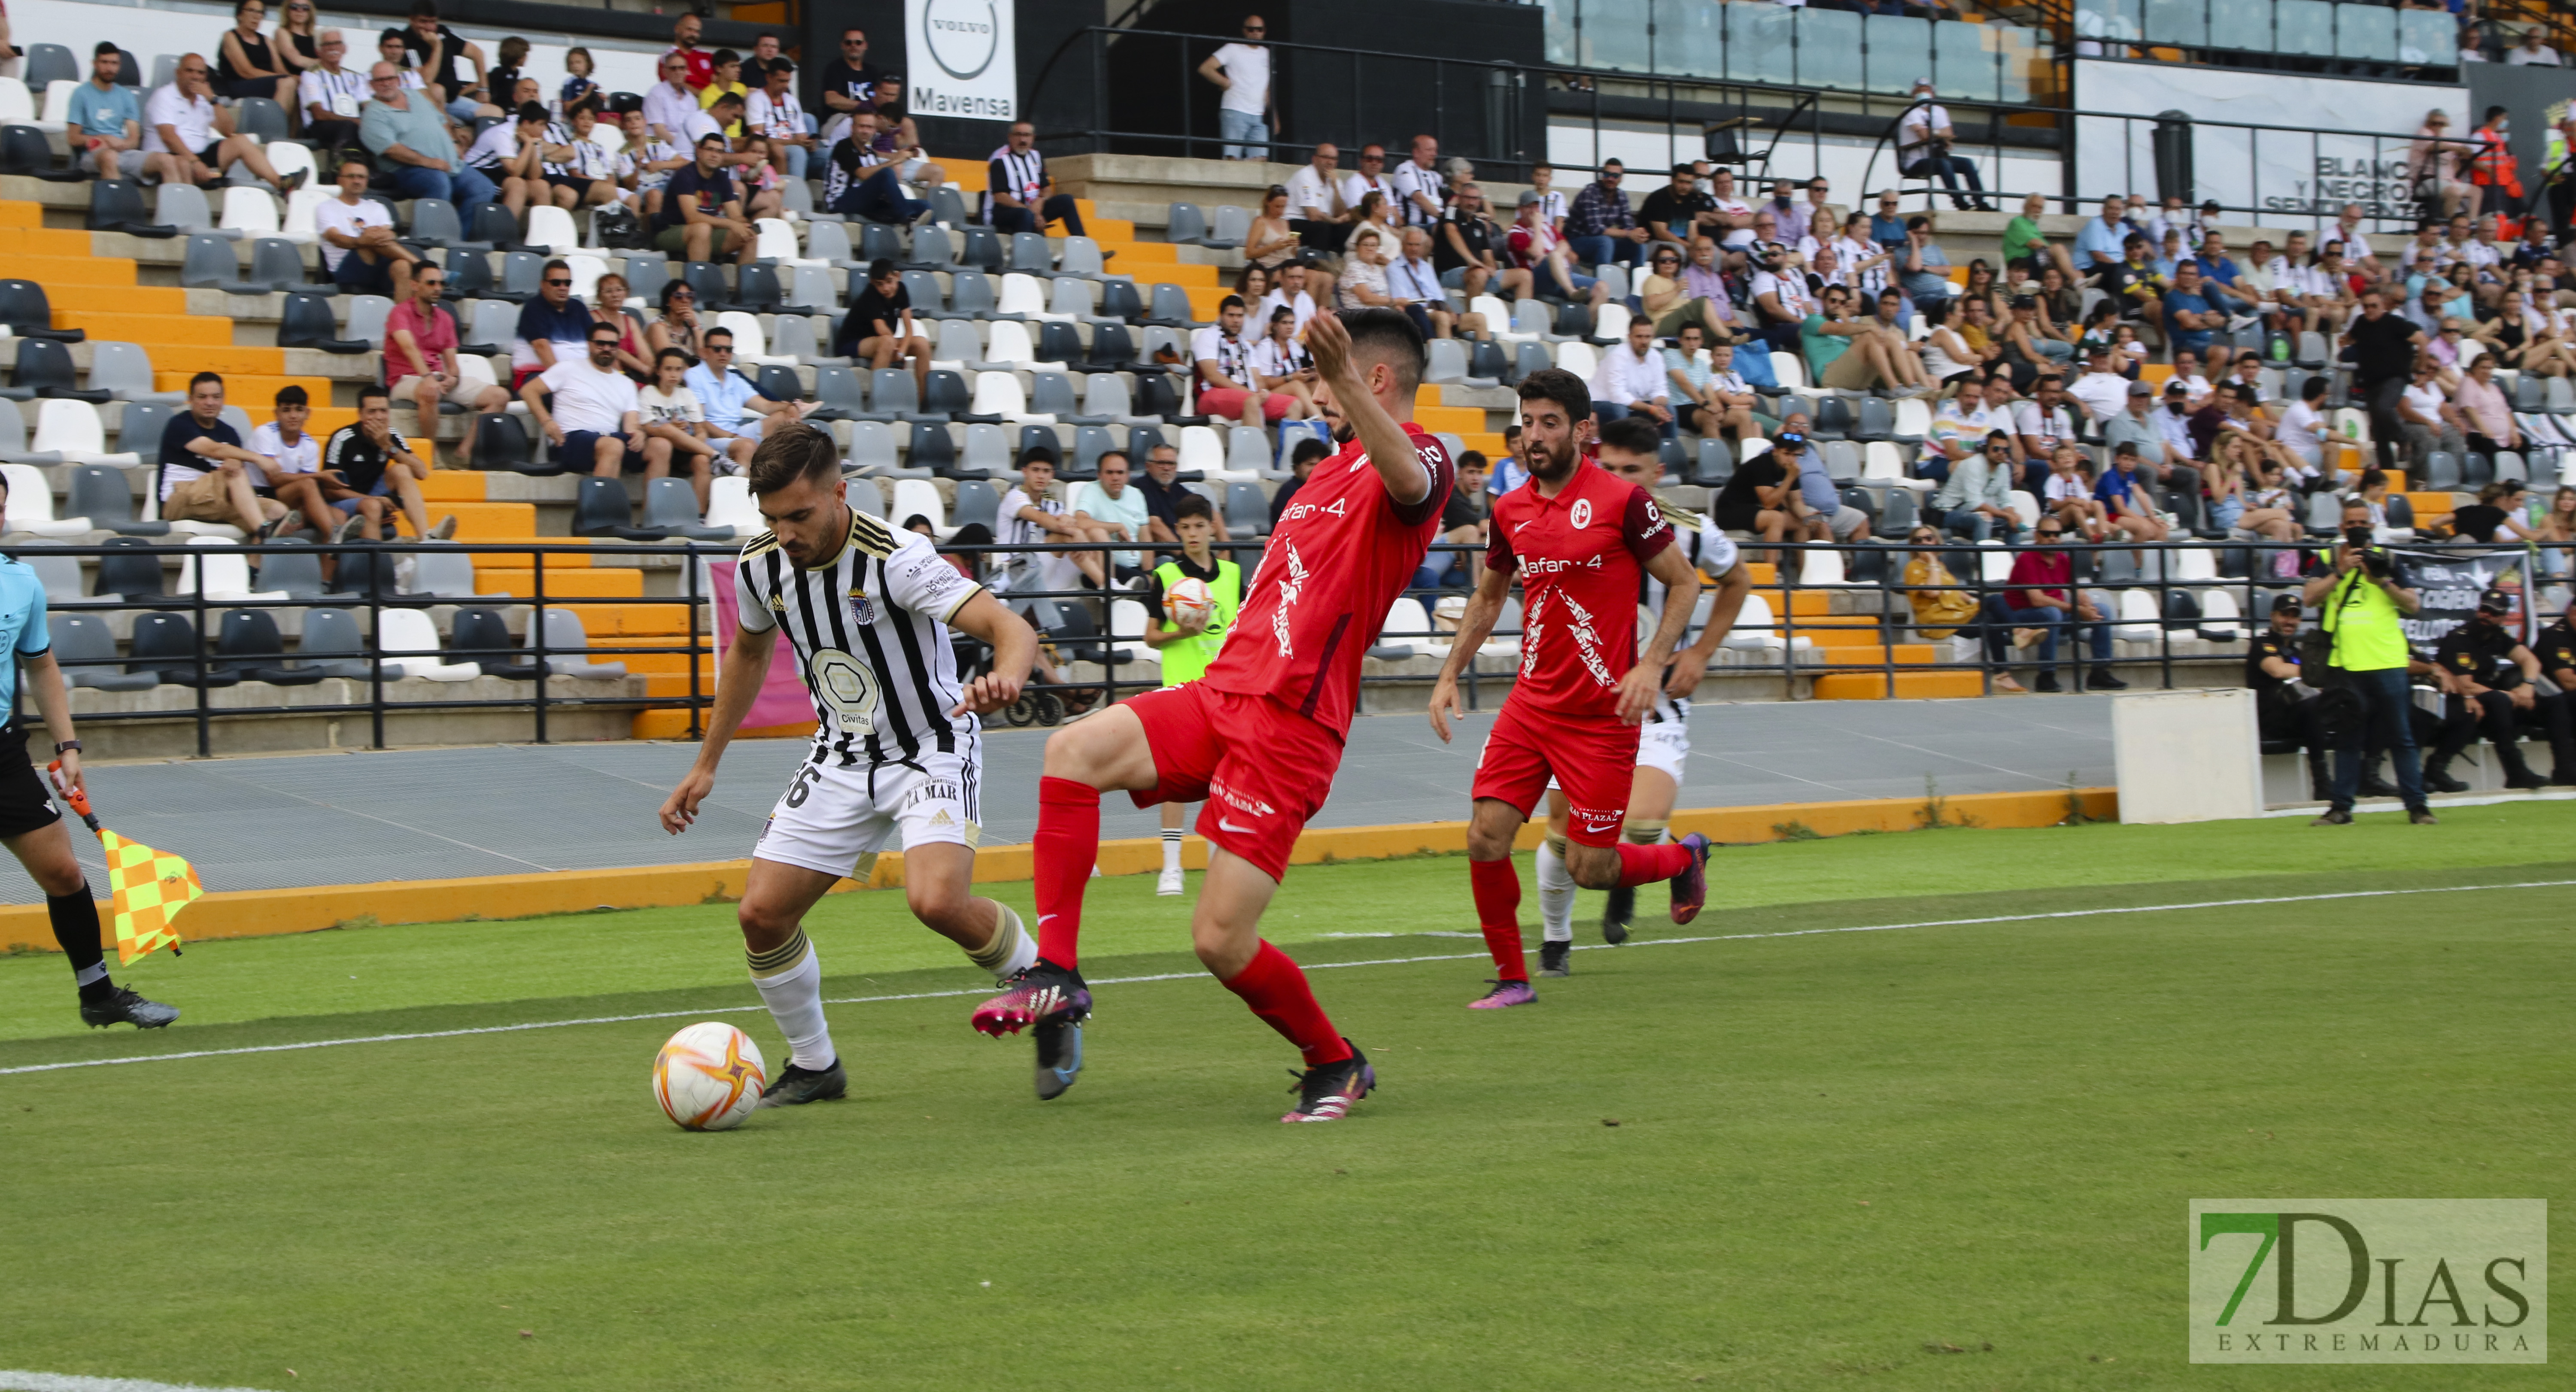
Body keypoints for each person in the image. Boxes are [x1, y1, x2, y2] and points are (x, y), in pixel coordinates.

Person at [968, 308, 1455, 1124]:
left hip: (1292, 725)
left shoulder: (1418, 456)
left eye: (1332, 379)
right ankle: (1056, 971)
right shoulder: (1320, 477)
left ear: (1373, 379)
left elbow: (1408, 479)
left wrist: (1335, 378)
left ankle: (1335, 1059)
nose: (1317, 394)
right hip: (1223, 692)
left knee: (1220, 940)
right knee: (1073, 750)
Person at [658, 424, 1044, 1105]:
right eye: (772, 517)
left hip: (931, 743)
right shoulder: (761, 564)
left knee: (936, 900)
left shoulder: (899, 557)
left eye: (800, 515)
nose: (786, 533)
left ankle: (1045, 985)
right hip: (841, 755)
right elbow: (748, 653)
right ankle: (815, 1064)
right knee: (761, 915)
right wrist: (706, 762)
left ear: (840, 493)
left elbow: (1011, 629)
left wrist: (1008, 676)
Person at [1424, 373, 1712, 1008]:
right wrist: (1448, 674)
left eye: (1549, 422)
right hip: (1532, 706)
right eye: (1528, 421)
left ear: (1581, 429)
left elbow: (1686, 583)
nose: (1535, 435)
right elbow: (1489, 595)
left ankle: (1682, 858)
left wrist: (1651, 663)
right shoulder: (1510, 509)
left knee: (1593, 866)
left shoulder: (1623, 502)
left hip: (1602, 719)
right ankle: (1513, 978)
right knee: (1484, 834)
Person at [1525, 420, 1752, 958]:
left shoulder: (1689, 530)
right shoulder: (1567, 521)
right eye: (1612, 468)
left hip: (1655, 705)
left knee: (1644, 826)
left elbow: (1737, 579)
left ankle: (1647, 870)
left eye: (1634, 470)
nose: (1622, 478)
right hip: (1575, 703)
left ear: (1657, 473)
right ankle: (1557, 939)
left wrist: (1698, 653)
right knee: (1564, 838)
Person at [0, 473, 178, 1029]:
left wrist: (67, 745)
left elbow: (40, 664)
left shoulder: (20, 582)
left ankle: (98, 994)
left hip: (2, 752)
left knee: (62, 872)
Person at [1137, 493, 1242, 895]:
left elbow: (1247, 629)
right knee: (1176, 779)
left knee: (1223, 779)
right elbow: (1149, 637)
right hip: (1180, 691)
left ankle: (1217, 864)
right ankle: (1172, 867)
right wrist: (1182, 632)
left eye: (1200, 526)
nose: (1193, 534)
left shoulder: (1233, 575)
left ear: (1211, 527)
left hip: (1225, 690)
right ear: (1177, 531)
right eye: (1185, 528)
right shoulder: (1166, 579)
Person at [2306, 500, 2434, 825]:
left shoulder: (2388, 559)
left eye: (2363, 522)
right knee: (2349, 738)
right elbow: (2309, 597)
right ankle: (2341, 807)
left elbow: (2413, 605)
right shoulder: (2326, 559)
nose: (2357, 528)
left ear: (2372, 526)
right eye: (2351, 523)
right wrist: (2341, 571)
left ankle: (2417, 806)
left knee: (2402, 735)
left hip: (2388, 660)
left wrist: (2383, 582)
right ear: (2341, 528)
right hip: (2347, 663)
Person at [2422, 588, 2570, 792]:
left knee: (2554, 700)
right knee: (2498, 701)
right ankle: (2515, 770)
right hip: (2463, 701)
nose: (2487, 616)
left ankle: (2565, 768)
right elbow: (2464, 685)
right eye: (2484, 610)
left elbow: (2530, 661)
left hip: (2494, 704)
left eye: (2494, 613)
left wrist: (2527, 686)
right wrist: (2508, 696)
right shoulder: (2460, 639)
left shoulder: (2497, 636)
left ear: (2503, 618)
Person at [1993, 518, 2120, 694]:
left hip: (2055, 613)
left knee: (2103, 611)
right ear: (2037, 536)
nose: (2052, 538)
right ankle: (2046, 676)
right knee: (2052, 614)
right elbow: (2037, 600)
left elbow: (2075, 590)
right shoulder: (2027, 559)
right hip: (2021, 616)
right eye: (2047, 534)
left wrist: (2087, 605)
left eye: (2056, 534)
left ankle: (2100, 673)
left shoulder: (2062, 558)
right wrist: (2076, 609)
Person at [361, 59, 493, 227]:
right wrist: (429, 163)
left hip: (448, 163)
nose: (386, 84)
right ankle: (435, 236)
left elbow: (440, 118)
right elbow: (392, 150)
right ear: (372, 85)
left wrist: (453, 142)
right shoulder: (372, 114)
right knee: (438, 183)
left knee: (484, 188)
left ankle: (457, 239)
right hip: (409, 170)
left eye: (390, 79)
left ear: (399, 80)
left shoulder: (415, 95)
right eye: (380, 80)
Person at [152, 53, 305, 197]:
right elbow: (169, 137)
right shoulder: (165, 96)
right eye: (190, 71)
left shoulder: (204, 100)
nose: (195, 77)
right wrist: (195, 162)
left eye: (200, 73)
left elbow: (229, 130)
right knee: (183, 163)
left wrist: (213, 100)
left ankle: (281, 184)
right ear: (178, 73)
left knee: (241, 141)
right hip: (172, 158)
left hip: (200, 156)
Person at [159, 373, 290, 537]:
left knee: (278, 512)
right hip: (180, 500)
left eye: (216, 397)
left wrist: (235, 462)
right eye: (202, 397)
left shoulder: (229, 433)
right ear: (191, 399)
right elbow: (214, 450)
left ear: (223, 400)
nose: (210, 403)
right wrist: (258, 458)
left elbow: (234, 462)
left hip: (217, 500)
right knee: (234, 474)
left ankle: (255, 560)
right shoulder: (179, 425)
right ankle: (261, 528)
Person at [318, 386, 442, 541]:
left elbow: (421, 472)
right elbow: (330, 491)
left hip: (372, 495)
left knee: (402, 469)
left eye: (384, 411)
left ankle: (425, 538)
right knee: (372, 506)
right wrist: (376, 501)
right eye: (372, 412)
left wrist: (388, 447)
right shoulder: (343, 438)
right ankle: (378, 561)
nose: (379, 417)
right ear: (361, 415)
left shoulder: (391, 435)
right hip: (342, 503)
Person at [522, 321, 644, 477]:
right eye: (601, 343)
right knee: (613, 446)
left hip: (609, 439)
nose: (607, 349)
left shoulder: (627, 383)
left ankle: (655, 502)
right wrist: (547, 422)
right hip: (569, 440)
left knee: (660, 447)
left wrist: (639, 434)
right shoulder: (568, 368)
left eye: (612, 344)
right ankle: (601, 501)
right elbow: (529, 391)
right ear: (589, 344)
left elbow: (631, 424)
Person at [687, 328, 810, 472]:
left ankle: (790, 475)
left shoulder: (734, 378)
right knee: (746, 446)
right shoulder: (694, 376)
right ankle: (745, 492)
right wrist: (733, 437)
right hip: (708, 439)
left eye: (728, 349)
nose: (723, 354)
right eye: (717, 349)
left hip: (735, 433)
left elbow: (766, 406)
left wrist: (790, 408)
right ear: (704, 352)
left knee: (783, 419)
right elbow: (699, 423)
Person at [997, 448, 1112, 592]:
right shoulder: (1014, 496)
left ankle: (1110, 585)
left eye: (1046, 471)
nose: (1041, 476)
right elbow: (1040, 518)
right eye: (1036, 470)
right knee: (1064, 536)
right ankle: (1108, 587)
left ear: (1052, 475)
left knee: (1097, 533)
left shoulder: (1054, 503)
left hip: (1046, 573)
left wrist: (1076, 530)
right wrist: (1076, 532)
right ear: (1025, 472)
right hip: (1016, 571)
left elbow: (1070, 523)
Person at [313, 158, 416, 300]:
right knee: (367, 244)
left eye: (361, 177)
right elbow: (335, 239)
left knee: (403, 266)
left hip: (381, 267)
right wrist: (362, 241)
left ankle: (401, 321)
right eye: (351, 176)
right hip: (347, 270)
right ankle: (422, 267)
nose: (357, 181)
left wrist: (380, 236)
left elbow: (388, 236)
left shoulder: (377, 207)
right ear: (339, 180)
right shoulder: (326, 207)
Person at [655, 132, 757, 265]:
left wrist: (744, 225)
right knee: (702, 228)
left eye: (720, 152)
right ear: (699, 151)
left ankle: (747, 284)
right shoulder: (686, 175)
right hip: (670, 231)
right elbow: (692, 217)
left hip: (706, 232)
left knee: (750, 237)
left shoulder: (722, 178)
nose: (714, 155)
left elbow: (735, 215)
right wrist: (732, 224)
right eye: (710, 150)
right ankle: (699, 281)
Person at [247, 384, 333, 540]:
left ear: (307, 413)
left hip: (286, 495)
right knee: (309, 483)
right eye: (286, 410)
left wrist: (302, 510)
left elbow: (305, 491)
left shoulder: (310, 445)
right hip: (258, 494)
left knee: (339, 515)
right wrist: (320, 476)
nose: (293, 416)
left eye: (299, 410)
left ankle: (334, 543)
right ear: (276, 414)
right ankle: (333, 534)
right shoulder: (265, 433)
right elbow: (273, 479)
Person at [836, 258, 932, 397]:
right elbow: (882, 330)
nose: (886, 289)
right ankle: (877, 398)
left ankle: (924, 401)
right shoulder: (870, 296)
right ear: (872, 283)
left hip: (881, 341)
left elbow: (909, 328)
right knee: (887, 341)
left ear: (897, 277)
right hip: (853, 343)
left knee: (922, 344)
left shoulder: (902, 290)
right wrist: (897, 351)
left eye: (889, 282)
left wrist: (902, 353)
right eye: (880, 284)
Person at [637, 347, 718, 508]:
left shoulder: (686, 394)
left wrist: (693, 444)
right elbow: (649, 428)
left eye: (678, 370)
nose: (674, 374)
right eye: (668, 369)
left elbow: (701, 431)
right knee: (666, 432)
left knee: (702, 460)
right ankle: (716, 456)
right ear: (659, 371)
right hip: (657, 448)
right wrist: (672, 429)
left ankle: (698, 516)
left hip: (684, 449)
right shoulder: (648, 392)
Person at [1192, 294, 1288, 425]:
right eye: (1231, 315)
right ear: (1220, 316)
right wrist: (1250, 394)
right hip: (1211, 394)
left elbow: (1257, 379)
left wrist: (1262, 392)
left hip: (1248, 397)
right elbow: (1212, 376)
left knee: (1294, 405)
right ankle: (1255, 446)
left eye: (1240, 316)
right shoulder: (1208, 336)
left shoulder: (1246, 345)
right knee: (1253, 401)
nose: (1236, 320)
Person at [1898, 81, 1990, 212]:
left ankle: (1980, 202)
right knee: (1943, 164)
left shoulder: (1940, 111)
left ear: (1933, 94)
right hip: (1915, 162)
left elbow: (1950, 134)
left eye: (1927, 90)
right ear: (1914, 95)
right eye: (1920, 90)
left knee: (1967, 163)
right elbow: (1924, 136)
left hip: (1937, 156)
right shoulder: (1910, 111)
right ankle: (1960, 203)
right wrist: (1939, 134)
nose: (1924, 93)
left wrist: (1934, 134)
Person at [1712, 423, 1798, 561]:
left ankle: (1805, 574)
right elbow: (1769, 504)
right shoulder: (1763, 465)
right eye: (1787, 454)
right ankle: (1770, 573)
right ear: (1775, 451)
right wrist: (1789, 478)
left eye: (1795, 455)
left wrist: (1808, 517)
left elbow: (1797, 502)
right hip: (1730, 511)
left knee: (1801, 523)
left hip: (1753, 509)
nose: (1791, 459)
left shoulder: (1791, 470)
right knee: (1776, 518)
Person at [985, 121, 1084, 237]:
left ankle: (1085, 249)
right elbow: (1000, 197)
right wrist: (1030, 212)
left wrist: (1040, 201)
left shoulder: (1036, 157)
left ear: (1033, 138)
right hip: (1005, 212)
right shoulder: (999, 160)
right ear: (1010, 137)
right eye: (1018, 135)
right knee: (1025, 215)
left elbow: (1047, 190)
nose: (1023, 140)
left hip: (1032, 211)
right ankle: (1025, 252)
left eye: (1027, 135)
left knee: (1066, 200)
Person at [1199, 15, 1273, 161]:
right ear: (1244, 31)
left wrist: (1274, 115)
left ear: (1264, 31)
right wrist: (1224, 82)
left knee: (1261, 158)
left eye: (1259, 29)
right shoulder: (1232, 49)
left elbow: (1266, 87)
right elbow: (1205, 68)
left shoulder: (1267, 53)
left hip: (1258, 115)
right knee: (1232, 158)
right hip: (1234, 111)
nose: (1255, 33)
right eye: (1251, 29)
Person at [69, 42, 146, 179]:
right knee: (109, 157)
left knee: (166, 161)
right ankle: (118, 199)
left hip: (122, 153)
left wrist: (124, 144)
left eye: (114, 63)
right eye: (105, 62)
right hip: (92, 154)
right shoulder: (81, 94)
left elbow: (134, 138)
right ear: (95, 64)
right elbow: (73, 138)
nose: (110, 68)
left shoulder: (126, 95)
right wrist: (105, 138)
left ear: (119, 65)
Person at [1589, 314, 1676, 435]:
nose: (1644, 341)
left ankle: (1667, 451)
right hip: (1600, 403)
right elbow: (1618, 396)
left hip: (1632, 406)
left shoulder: (1656, 357)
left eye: (1648, 337)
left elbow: (1660, 390)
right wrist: (1651, 409)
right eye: (1639, 337)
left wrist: (1660, 408)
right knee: (1620, 410)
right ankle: (1622, 451)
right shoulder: (1618, 356)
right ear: (1629, 337)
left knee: (1669, 410)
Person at [1935, 430, 2021, 541]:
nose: (2001, 453)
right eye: (1996, 449)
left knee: (2014, 523)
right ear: (1986, 449)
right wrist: (2007, 516)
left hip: (1970, 512)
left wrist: (2013, 516)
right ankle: (1983, 558)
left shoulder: (2004, 469)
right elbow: (1976, 504)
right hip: (1946, 512)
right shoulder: (1973, 464)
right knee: (1984, 519)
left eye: (2005, 450)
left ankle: (2012, 558)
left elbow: (2006, 501)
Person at [294, 28, 365, 157]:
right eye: (327, 44)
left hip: (352, 125)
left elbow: (367, 107)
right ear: (318, 51)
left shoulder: (356, 77)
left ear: (345, 49)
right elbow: (318, 114)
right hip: (320, 128)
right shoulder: (311, 75)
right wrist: (354, 121)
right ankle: (343, 162)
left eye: (337, 43)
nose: (333, 48)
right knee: (348, 127)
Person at [214, 0, 297, 108]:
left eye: (260, 12)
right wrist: (283, 78)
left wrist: (298, 79)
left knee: (298, 85)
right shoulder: (230, 36)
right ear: (240, 15)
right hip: (239, 85)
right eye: (251, 11)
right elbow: (246, 72)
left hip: (266, 84)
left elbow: (281, 70)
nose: (256, 16)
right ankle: (274, 123)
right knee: (287, 83)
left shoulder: (266, 40)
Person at [1567, 160, 1648, 269]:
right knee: (1605, 241)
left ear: (1621, 178)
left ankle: (1636, 284)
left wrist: (1639, 235)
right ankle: (1602, 283)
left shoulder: (1621, 196)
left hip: (1602, 244)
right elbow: (1596, 229)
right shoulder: (1590, 192)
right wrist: (1629, 234)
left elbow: (1629, 226)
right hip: (1575, 241)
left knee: (1640, 245)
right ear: (1602, 175)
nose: (1611, 179)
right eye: (1607, 174)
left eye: (1615, 176)